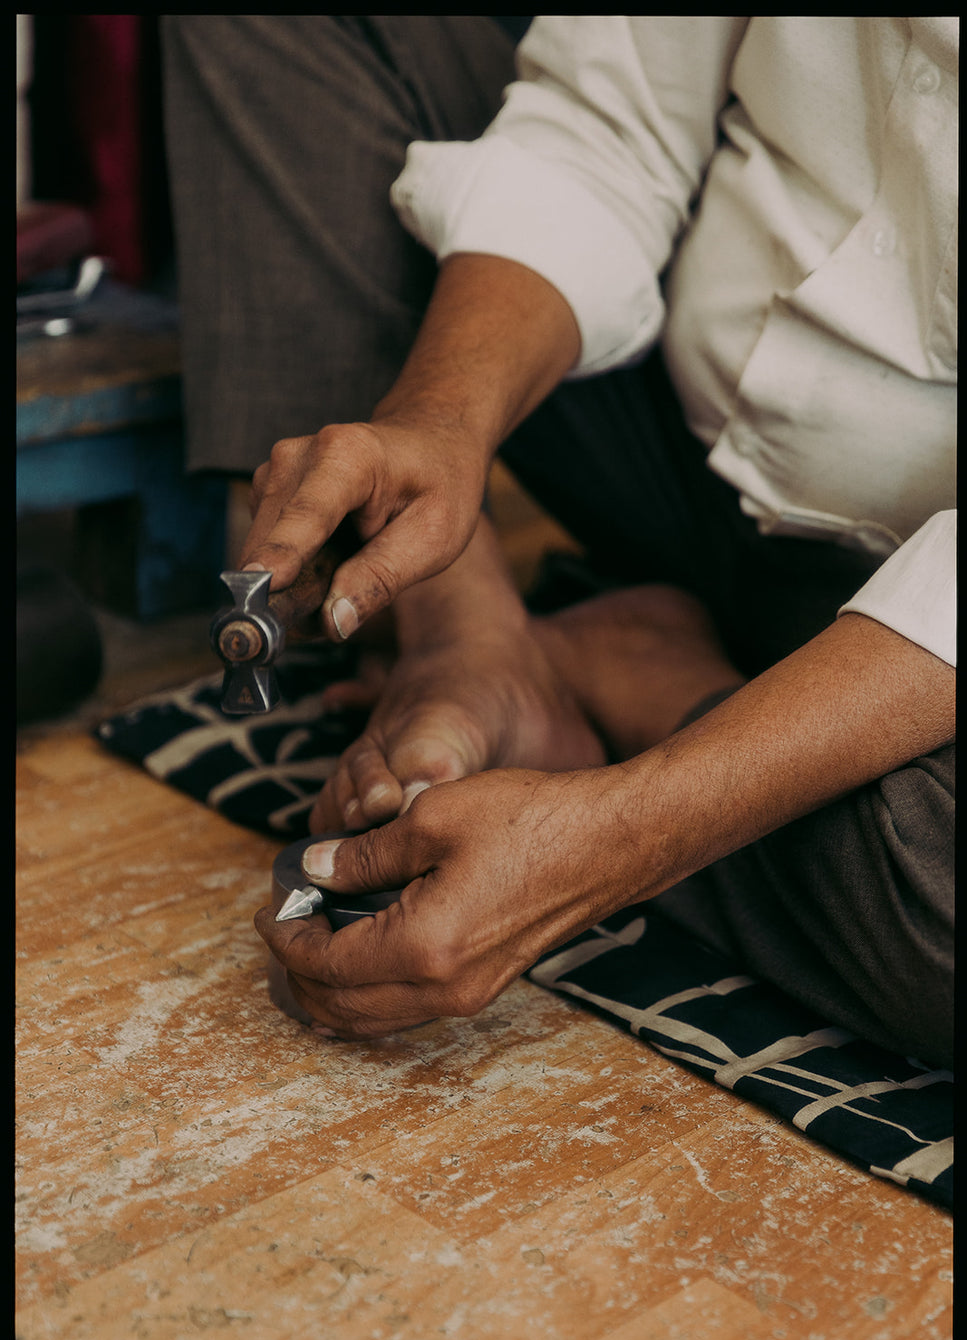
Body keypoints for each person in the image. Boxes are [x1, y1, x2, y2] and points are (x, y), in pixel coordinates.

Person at [161, 17, 955, 1065]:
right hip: (670, 448)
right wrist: (442, 417)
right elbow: (610, 121)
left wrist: (623, 832)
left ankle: (646, 678)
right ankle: (467, 635)